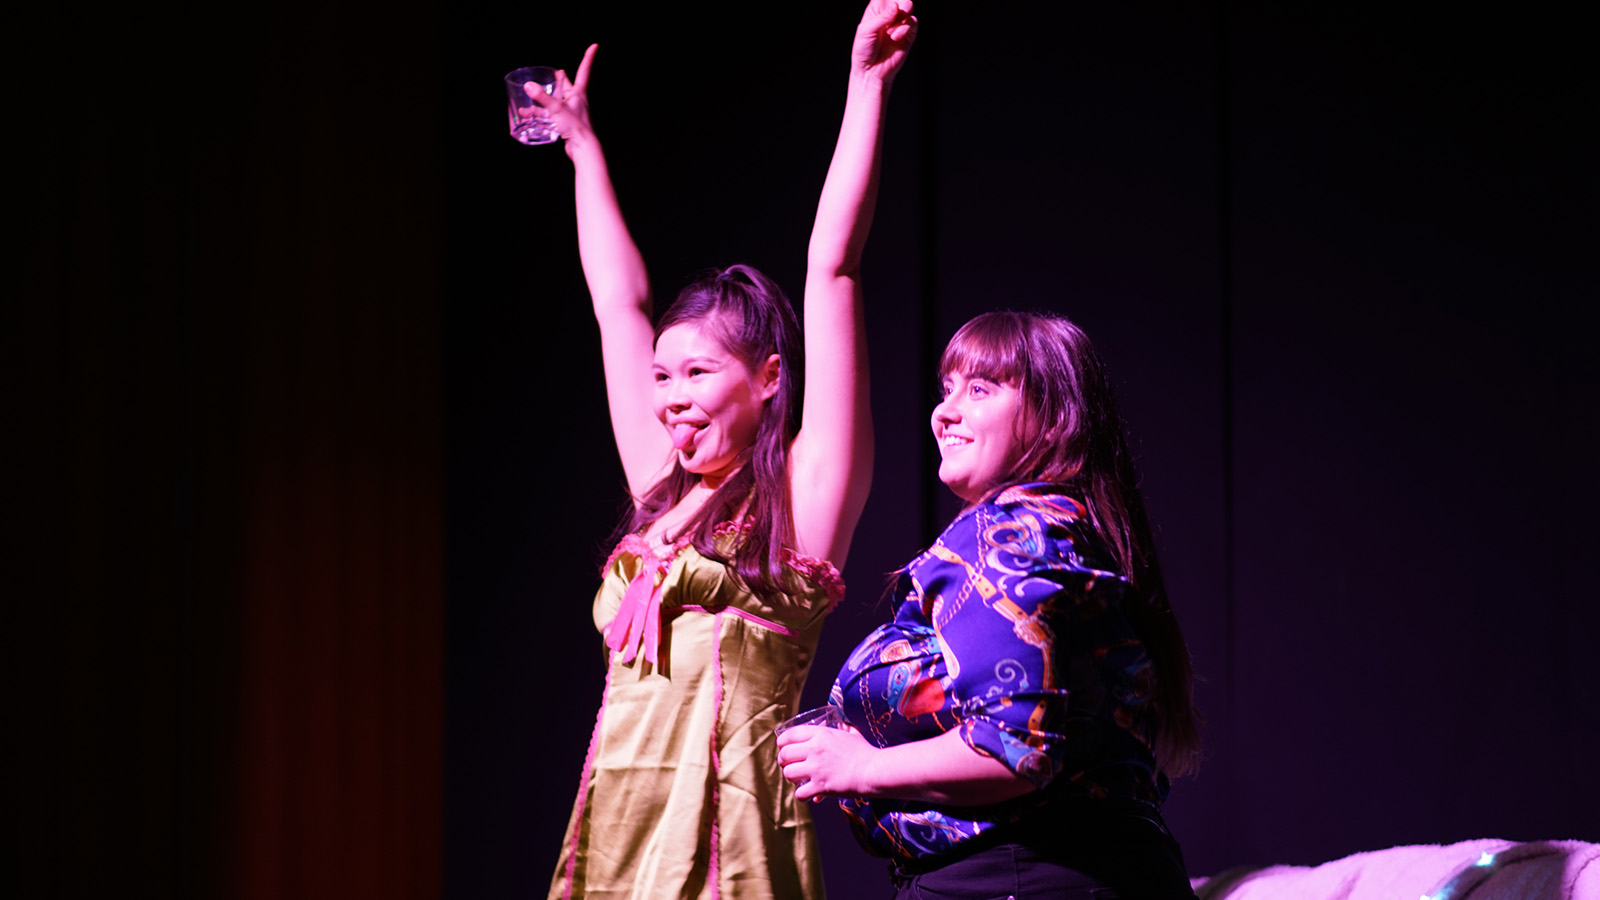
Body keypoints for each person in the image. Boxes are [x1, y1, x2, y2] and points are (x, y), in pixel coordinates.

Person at [530, 2, 917, 898]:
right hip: (617, 838)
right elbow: (616, 307)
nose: (669, 400)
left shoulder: (806, 503)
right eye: (661, 379)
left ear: (769, 377)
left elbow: (835, 267)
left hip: (732, 856)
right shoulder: (662, 490)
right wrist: (584, 152)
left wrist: (865, 87)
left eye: (696, 374)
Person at [777, 311, 1204, 899]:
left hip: (1018, 875)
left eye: (979, 389)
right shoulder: (1081, 534)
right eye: (947, 389)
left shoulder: (1001, 534)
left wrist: (856, 767)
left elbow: (1013, 748)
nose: (944, 412)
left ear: (1054, 421)